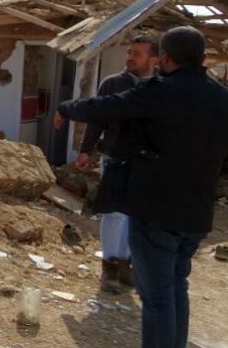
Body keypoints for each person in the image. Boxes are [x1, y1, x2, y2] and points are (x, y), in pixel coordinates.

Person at [54, 26, 228, 348]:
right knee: (177, 288)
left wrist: (66, 108)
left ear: (164, 57)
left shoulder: (159, 91)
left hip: (157, 210)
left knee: (158, 297)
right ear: (203, 58)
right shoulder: (221, 97)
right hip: (196, 212)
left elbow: (106, 107)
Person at [75, 35, 159, 293]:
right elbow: (97, 119)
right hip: (114, 157)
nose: (130, 57)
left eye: (137, 54)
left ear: (153, 60)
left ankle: (126, 265)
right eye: (129, 52)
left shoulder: (161, 88)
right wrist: (85, 150)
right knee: (114, 214)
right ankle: (109, 267)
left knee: (136, 215)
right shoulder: (112, 84)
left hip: (146, 162)